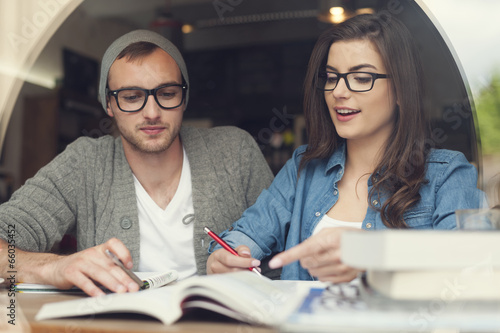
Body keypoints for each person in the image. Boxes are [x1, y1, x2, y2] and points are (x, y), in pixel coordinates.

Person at [206, 14, 485, 282]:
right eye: (331, 77)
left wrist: (369, 255)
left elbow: (469, 267)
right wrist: (223, 257)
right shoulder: (304, 168)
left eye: (361, 78)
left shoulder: (446, 174)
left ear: (401, 89)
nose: (339, 91)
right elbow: (247, 236)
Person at [0, 30, 274, 296]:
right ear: (109, 104)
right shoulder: (84, 164)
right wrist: (55, 266)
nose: (152, 113)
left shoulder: (235, 152)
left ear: (184, 97)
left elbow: (287, 249)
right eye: (131, 97)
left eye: (167, 94)